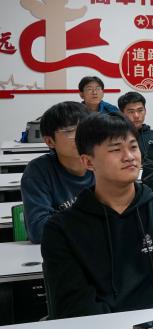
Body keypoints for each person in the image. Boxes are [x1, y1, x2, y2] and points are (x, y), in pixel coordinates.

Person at [41, 112, 153, 319]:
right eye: (116, 149)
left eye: (133, 147)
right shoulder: (62, 229)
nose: (129, 157)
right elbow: (74, 305)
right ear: (88, 162)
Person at [20, 101, 94, 243]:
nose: (81, 136)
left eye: (86, 128)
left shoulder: (103, 163)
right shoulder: (38, 171)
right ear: (49, 141)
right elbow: (39, 230)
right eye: (70, 131)